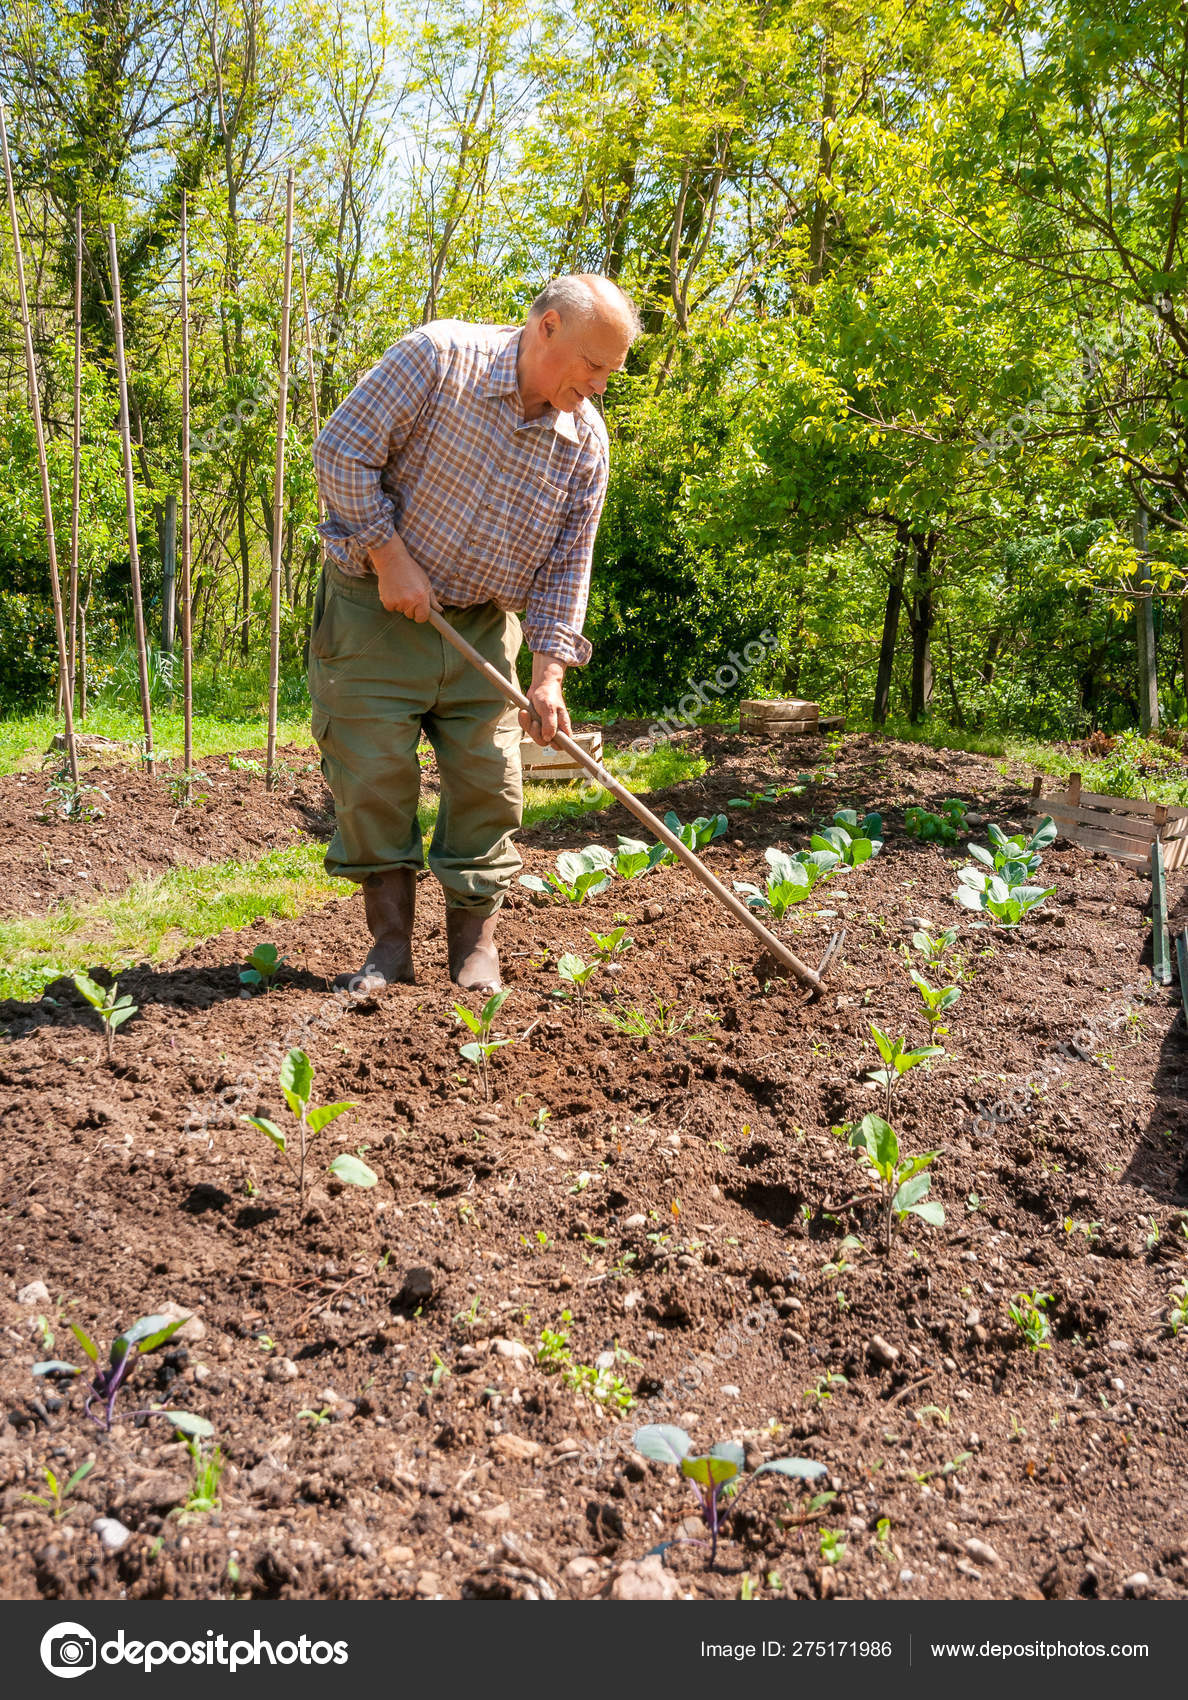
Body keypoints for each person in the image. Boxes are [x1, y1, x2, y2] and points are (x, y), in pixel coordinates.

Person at [309, 274, 640, 995]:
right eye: (594, 364)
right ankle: (390, 947)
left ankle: (475, 947)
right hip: (373, 608)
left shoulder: (585, 443)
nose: (601, 386)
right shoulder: (437, 358)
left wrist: (548, 676)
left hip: (485, 625)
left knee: (490, 780)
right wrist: (389, 557)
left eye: (611, 372)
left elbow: (566, 568)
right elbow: (341, 451)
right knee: (372, 777)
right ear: (546, 328)